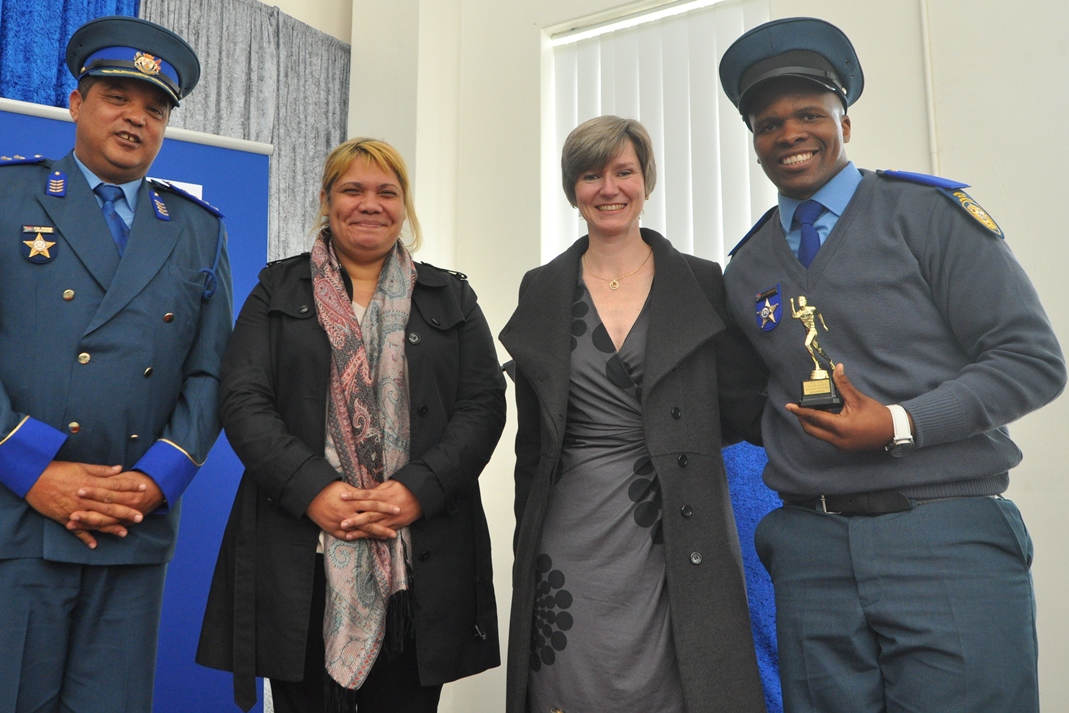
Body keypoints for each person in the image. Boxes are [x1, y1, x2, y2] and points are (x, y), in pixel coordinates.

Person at [718, 17, 1066, 712]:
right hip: (810, 550)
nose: (788, 133)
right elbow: (754, 399)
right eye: (768, 123)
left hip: (942, 533)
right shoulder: (746, 264)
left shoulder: (928, 214)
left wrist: (899, 423)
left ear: (846, 121)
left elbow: (1032, 360)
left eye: (809, 114)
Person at [0, 15, 231, 713]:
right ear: (77, 103)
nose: (136, 119)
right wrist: (37, 471)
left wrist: (156, 481)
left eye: (154, 108)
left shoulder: (198, 231)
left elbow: (211, 374)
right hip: (14, 515)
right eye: (118, 97)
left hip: (129, 521)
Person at [195, 138, 506, 713]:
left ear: (404, 206)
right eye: (352, 190)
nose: (370, 203)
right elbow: (243, 399)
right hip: (300, 550)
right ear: (325, 200)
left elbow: (484, 405)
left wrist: (419, 490)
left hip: (417, 559)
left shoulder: (451, 295)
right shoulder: (276, 290)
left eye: (387, 192)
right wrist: (314, 490)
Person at [499, 115, 769, 713]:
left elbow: (743, 405)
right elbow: (531, 437)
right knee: (569, 676)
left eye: (624, 171)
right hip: (568, 525)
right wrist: (525, 531)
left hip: (677, 513)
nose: (609, 188)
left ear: (646, 179)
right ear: (574, 190)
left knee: (682, 676)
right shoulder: (541, 287)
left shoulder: (701, 280)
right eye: (591, 175)